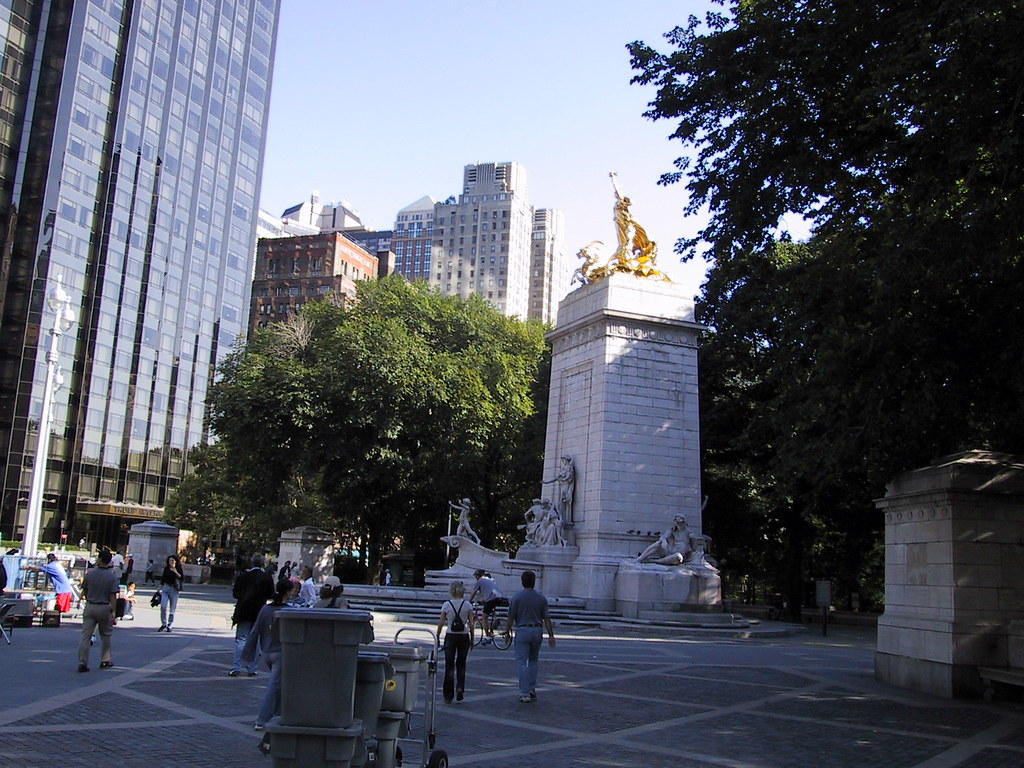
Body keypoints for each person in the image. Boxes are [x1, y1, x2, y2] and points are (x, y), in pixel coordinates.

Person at [242, 577, 293, 730]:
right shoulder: (289, 611)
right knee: (273, 686)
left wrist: (248, 654)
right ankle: (262, 719)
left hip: (266, 652)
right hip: (280, 653)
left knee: (278, 685)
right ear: (288, 592)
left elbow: (255, 631)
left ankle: (278, 714)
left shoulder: (265, 609)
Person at [505, 570, 556, 703]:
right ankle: (532, 688)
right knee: (534, 660)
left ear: (522, 582)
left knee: (522, 662)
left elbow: (511, 617)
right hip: (537, 630)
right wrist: (551, 635)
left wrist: (507, 632)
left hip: (522, 630)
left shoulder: (517, 597)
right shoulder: (541, 598)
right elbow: (546, 618)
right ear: (534, 582)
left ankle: (524, 692)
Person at [229, 553, 275, 676]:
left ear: (252, 562)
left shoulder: (243, 577)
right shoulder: (266, 577)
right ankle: (252, 668)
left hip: (243, 611)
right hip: (259, 611)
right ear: (262, 563)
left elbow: (235, 594)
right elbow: (271, 594)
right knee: (255, 640)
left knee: (241, 639)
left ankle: (236, 666)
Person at [78, 549, 120, 672]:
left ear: (100, 559)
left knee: (85, 636)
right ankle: (105, 660)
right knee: (106, 636)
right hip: (104, 607)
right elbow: (113, 596)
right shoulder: (111, 576)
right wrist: (114, 612)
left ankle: (82, 662)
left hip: (90, 605)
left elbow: (84, 590)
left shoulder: (89, 573)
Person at [436, 580, 473, 704]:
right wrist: (472, 638)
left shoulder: (447, 605)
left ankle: (448, 695)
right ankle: (460, 687)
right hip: (464, 636)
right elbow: (471, 623)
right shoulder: (467, 605)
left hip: (450, 635)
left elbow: (441, 622)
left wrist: (437, 634)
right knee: (461, 663)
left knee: (449, 665)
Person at [468, 569, 504, 643]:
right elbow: (488, 594)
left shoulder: (480, 581)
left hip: (492, 599)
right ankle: (495, 620)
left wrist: (469, 602)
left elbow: (473, 593)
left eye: (476, 576)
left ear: (478, 576)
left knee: (484, 617)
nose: (476, 578)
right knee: (489, 609)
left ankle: (488, 637)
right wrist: (480, 601)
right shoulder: (490, 580)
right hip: (499, 597)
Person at [157, 554, 184, 632]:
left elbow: (182, 578)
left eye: (172, 560)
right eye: (169, 560)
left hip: (174, 589)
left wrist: (175, 571)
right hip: (166, 588)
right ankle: (163, 623)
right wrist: (159, 588)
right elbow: (163, 578)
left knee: (172, 609)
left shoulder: (178, 568)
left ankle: (170, 624)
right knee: (163, 606)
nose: (171, 562)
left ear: (176, 561)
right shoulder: (166, 568)